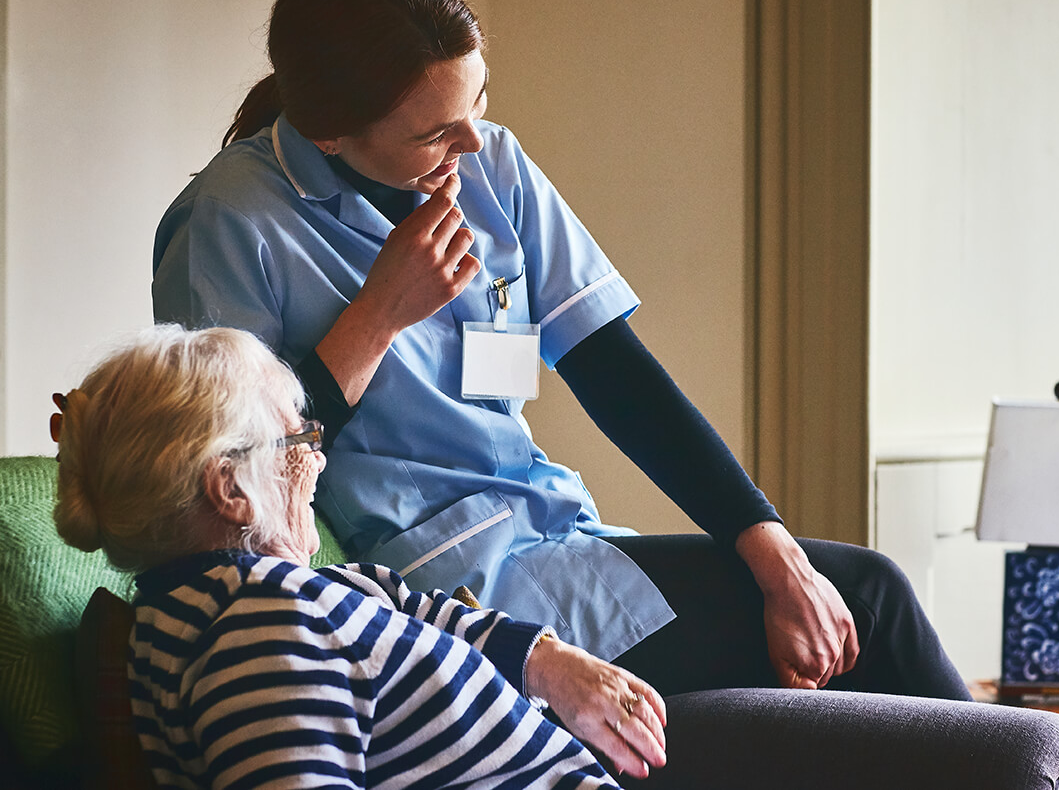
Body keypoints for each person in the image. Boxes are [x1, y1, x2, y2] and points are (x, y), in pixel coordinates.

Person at [152, 0, 970, 703]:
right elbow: (236, 481)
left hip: (558, 532)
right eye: (436, 131)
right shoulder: (230, 221)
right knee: (872, 596)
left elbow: (615, 373)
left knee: (837, 597)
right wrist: (376, 318)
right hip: (440, 590)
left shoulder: (490, 164)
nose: (473, 142)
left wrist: (772, 547)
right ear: (331, 133)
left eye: (478, 101)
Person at [51, 323, 668, 787]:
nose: (316, 459)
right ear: (232, 489)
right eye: (297, 437)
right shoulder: (262, 635)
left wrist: (545, 662)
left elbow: (416, 610)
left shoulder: (287, 599)